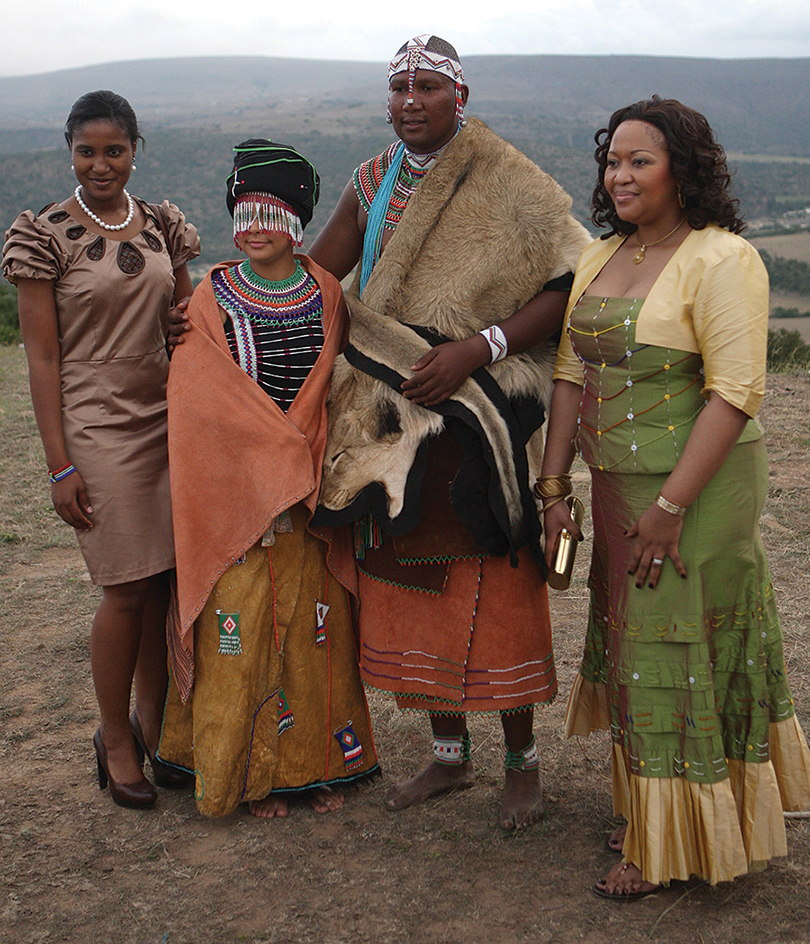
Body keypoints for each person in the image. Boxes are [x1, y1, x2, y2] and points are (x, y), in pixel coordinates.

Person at [308, 35, 591, 830]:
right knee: (413, 589)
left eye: (427, 85)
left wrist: (477, 348)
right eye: (397, 85)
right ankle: (446, 757)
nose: (409, 99)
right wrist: (224, 299)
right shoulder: (372, 182)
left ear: (459, 97)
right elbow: (319, 279)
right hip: (395, 421)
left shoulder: (508, 177)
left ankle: (523, 768)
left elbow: (571, 277)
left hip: (481, 414)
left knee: (495, 589)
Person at [541, 96, 810, 897]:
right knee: (633, 650)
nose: (619, 174)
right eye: (612, 160)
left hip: (698, 489)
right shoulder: (599, 255)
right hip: (621, 487)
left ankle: (670, 847)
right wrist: (556, 485)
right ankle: (658, 811)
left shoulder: (722, 259)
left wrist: (671, 509)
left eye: (639, 160)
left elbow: (733, 395)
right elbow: (567, 375)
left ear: (681, 171)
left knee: (672, 650)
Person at [156, 139, 379, 818]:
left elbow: (335, 390)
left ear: (297, 224)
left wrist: (300, 458)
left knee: (317, 631)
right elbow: (197, 401)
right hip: (236, 501)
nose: (253, 227)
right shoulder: (210, 298)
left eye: (268, 214)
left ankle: (314, 769)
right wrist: (263, 459)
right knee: (240, 631)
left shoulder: (326, 293)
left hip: (310, 498)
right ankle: (246, 775)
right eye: (242, 212)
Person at [2, 90, 200, 808]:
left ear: (134, 149)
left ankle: (154, 725)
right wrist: (60, 464)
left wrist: (186, 332)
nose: (99, 164)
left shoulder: (161, 225)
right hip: (95, 420)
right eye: (86, 151)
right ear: (70, 153)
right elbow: (42, 361)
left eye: (113, 150)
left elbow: (187, 317)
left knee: (163, 581)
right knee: (125, 587)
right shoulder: (43, 235)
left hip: (164, 413)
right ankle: (114, 736)